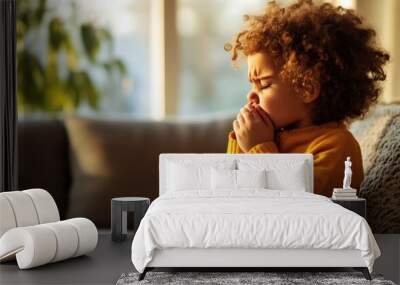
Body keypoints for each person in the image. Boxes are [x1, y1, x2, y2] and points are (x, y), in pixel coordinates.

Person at [224, 0, 390, 197]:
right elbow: (232, 192)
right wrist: (241, 143)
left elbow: (297, 203)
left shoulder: (337, 146)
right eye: (252, 84)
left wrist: (257, 148)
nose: (251, 95)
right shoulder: (272, 135)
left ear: (306, 88)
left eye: (264, 84)